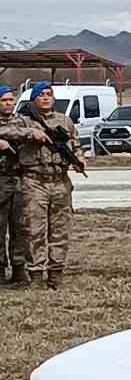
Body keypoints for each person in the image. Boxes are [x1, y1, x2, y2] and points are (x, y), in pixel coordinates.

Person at [0, 82, 84, 289]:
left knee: (60, 230)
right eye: (41, 95)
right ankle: (36, 274)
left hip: (60, 181)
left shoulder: (63, 120)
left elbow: (76, 143)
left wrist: (80, 158)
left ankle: (56, 274)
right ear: (33, 99)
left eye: (49, 94)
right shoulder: (24, 120)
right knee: (33, 230)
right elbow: (6, 130)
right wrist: (31, 133)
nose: (46, 98)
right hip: (34, 181)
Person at [0, 86, 29, 285]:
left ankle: (19, 267)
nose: (8, 103)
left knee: (20, 226)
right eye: (4, 100)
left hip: (19, 178)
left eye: (11, 99)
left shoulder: (23, 121)